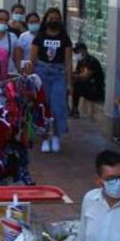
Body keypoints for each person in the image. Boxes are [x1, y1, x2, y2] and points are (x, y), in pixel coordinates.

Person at [30, 8, 73, 153]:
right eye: (51, 18)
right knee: (43, 106)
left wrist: (69, 83)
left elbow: (68, 61)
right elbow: (33, 59)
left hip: (59, 73)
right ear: (46, 20)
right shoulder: (39, 37)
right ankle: (44, 138)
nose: (53, 20)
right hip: (42, 72)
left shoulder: (65, 38)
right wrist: (30, 78)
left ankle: (56, 136)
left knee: (58, 106)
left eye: (56, 18)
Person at [70, 42, 105, 117]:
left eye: (77, 52)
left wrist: (74, 77)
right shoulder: (81, 61)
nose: (76, 54)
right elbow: (77, 72)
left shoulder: (91, 61)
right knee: (71, 83)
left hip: (95, 90)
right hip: (87, 87)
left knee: (76, 84)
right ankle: (70, 108)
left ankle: (75, 110)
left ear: (83, 51)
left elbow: (85, 76)